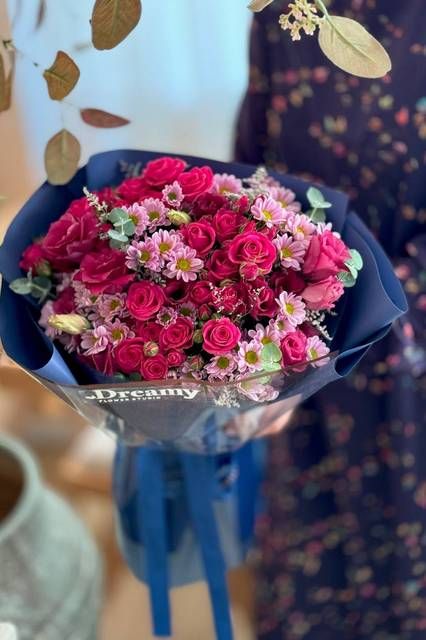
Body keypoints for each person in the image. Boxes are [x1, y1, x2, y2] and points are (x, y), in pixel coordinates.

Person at [236, 1, 425, 638]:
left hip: (401, 357)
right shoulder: (284, 16)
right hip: (314, 368)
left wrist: (357, 304)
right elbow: (253, 181)